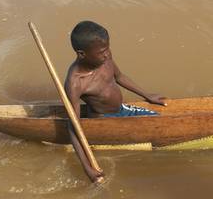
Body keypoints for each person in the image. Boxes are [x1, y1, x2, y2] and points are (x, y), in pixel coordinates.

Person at [64, 20, 166, 182]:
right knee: (154, 129)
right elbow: (73, 127)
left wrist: (147, 95)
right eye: (101, 52)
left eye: (107, 48)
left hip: (122, 109)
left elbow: (120, 77)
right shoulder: (75, 82)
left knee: (157, 118)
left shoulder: (105, 58)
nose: (107, 54)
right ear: (82, 54)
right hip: (104, 120)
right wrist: (87, 168)